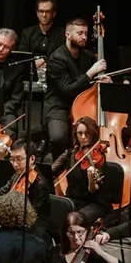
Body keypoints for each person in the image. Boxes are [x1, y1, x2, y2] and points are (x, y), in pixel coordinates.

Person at [44, 17, 108, 158]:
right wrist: (91, 72)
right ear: (68, 35)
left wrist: (106, 80)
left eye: (85, 33)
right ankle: (58, 171)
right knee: (58, 137)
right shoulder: (56, 59)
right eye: (80, 33)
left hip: (84, 104)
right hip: (60, 105)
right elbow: (67, 89)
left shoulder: (88, 56)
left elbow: (94, 82)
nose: (84, 37)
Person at [50, 116, 120, 224]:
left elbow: (93, 190)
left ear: (93, 134)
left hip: (94, 203)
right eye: (80, 133)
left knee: (76, 220)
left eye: (87, 133)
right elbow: (51, 171)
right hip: (73, 200)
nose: (83, 137)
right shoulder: (70, 153)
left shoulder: (99, 157)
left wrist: (91, 180)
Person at [0, 139, 52, 238]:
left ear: (32, 159)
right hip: (15, 223)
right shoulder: (17, 175)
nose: (15, 164)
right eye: (12, 159)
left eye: (18, 159)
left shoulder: (40, 184)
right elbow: (2, 191)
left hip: (32, 231)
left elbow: (31, 216)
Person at [18, 0, 64, 69]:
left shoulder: (62, 34)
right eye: (41, 11)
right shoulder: (27, 33)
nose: (44, 15)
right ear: (37, 13)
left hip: (54, 75)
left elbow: (63, 59)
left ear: (54, 14)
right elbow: (22, 58)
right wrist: (34, 63)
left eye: (48, 11)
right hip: (30, 74)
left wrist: (47, 63)